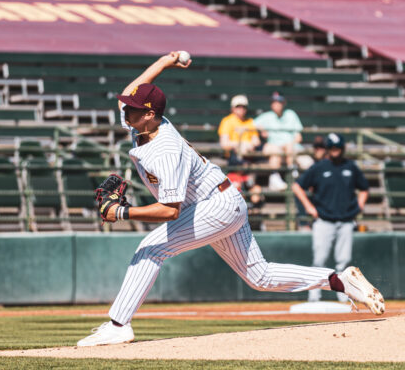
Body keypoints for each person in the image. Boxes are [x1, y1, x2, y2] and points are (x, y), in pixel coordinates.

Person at [76, 53, 384, 347]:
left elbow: (170, 211)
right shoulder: (143, 122)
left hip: (216, 205)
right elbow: (134, 88)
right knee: (259, 276)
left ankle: (118, 326)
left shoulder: (165, 149)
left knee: (151, 248)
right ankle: (340, 281)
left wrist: (123, 212)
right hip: (222, 201)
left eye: (131, 107)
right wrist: (166, 61)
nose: (124, 109)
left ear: (150, 114)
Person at [291, 133, 369, 303]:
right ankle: (314, 295)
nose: (335, 151)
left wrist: (360, 206)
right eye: (332, 148)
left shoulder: (351, 167)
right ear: (328, 149)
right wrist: (309, 207)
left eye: (338, 148)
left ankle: (343, 294)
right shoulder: (319, 167)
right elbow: (297, 186)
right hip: (324, 220)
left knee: (344, 261)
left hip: (346, 220)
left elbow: (364, 188)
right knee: (319, 260)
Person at [254, 92, 304, 169]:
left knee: (307, 162)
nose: (276, 104)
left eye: (279, 102)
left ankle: (292, 173)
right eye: (274, 102)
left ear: (284, 103)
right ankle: (287, 173)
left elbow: (299, 138)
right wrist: (261, 129)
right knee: (276, 154)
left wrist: (288, 145)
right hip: (275, 148)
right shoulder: (267, 116)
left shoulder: (291, 114)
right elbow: (252, 124)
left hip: (292, 149)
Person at [218, 94, 261, 165]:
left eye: (244, 107)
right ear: (232, 108)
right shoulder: (227, 121)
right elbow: (224, 143)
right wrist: (240, 144)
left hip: (250, 154)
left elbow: (256, 141)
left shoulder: (250, 121)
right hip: (232, 154)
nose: (241, 109)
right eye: (238, 107)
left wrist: (248, 145)